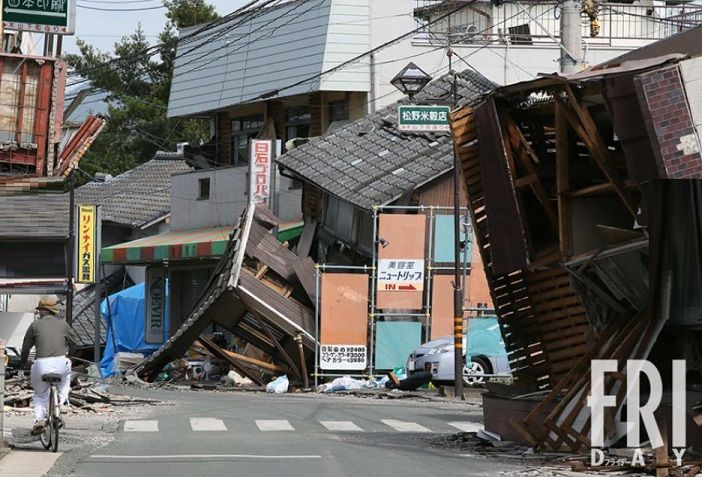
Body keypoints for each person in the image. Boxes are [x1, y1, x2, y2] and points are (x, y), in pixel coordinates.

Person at [20, 297, 76, 436]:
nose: (38, 313)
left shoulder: (34, 325)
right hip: (61, 363)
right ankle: (61, 404)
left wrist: (23, 363)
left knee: (40, 394)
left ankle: (39, 420)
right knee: (65, 380)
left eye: (39, 311)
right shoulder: (63, 325)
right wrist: (70, 356)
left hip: (41, 364)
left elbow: (25, 348)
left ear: (43, 312)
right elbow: (74, 343)